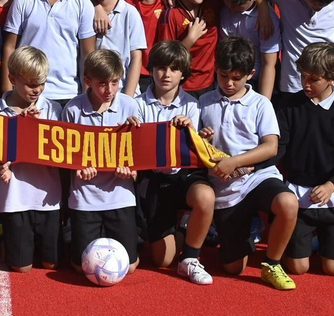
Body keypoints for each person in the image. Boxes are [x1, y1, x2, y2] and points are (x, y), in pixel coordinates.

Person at [197, 38, 297, 289]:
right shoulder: (203, 102)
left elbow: (271, 146)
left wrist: (234, 162)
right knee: (232, 268)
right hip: (225, 189)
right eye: (223, 75)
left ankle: (272, 264)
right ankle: (248, 232)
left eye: (237, 77)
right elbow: (194, 146)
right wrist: (201, 138)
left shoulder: (261, 103)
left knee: (287, 202)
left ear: (251, 74)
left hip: (257, 179)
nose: (229, 83)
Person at [273, 40, 334, 278]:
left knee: (333, 270)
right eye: (303, 76)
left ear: (332, 78)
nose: (306, 84)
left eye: (314, 79)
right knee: (298, 268)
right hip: (299, 201)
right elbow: (278, 148)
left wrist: (332, 185)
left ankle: (322, 244)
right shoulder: (288, 106)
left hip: (333, 200)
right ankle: (305, 244)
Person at [135, 41, 211, 282]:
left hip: (183, 176)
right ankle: (183, 227)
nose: (166, 75)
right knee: (162, 260)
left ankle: (191, 257)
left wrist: (194, 131)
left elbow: (198, 150)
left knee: (206, 196)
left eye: (174, 69)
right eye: (160, 67)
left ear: (183, 73)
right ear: (151, 69)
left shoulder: (192, 105)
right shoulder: (136, 104)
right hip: (154, 178)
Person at [62, 49, 142, 274]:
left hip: (120, 196)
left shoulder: (130, 106)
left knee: (131, 266)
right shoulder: (73, 109)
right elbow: (65, 155)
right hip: (85, 198)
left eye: (115, 82)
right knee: (80, 267)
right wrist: (77, 168)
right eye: (102, 84)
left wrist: (132, 171)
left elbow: (140, 155)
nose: (109, 90)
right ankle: (71, 240)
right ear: (87, 81)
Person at [0, 46, 62, 273]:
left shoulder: (54, 109)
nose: (37, 90)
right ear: (12, 78)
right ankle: (2, 239)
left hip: (49, 198)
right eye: (30, 84)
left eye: (41, 83)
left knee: (51, 264)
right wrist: (1, 165)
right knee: (22, 268)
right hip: (15, 199)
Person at [1, 0, 97, 100]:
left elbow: (87, 54)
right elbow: (10, 48)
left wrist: (88, 97)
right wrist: (7, 91)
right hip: (26, 94)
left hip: (68, 94)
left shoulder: (83, 4)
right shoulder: (23, 0)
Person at [261, 0, 334, 105]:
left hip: (330, 82)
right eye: (315, 0)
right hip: (295, 83)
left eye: (326, 2)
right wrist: (262, 6)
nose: (320, 5)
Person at [213, 0, 279, 100]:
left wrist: (263, 103)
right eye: (227, 0)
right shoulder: (223, 2)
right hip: (223, 80)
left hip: (253, 82)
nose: (230, 6)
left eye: (238, 4)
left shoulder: (266, 21)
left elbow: (269, 64)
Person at [86, 0, 147, 98]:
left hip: (123, 92)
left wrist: (128, 97)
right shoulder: (82, 9)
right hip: (92, 94)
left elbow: (136, 58)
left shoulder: (130, 13)